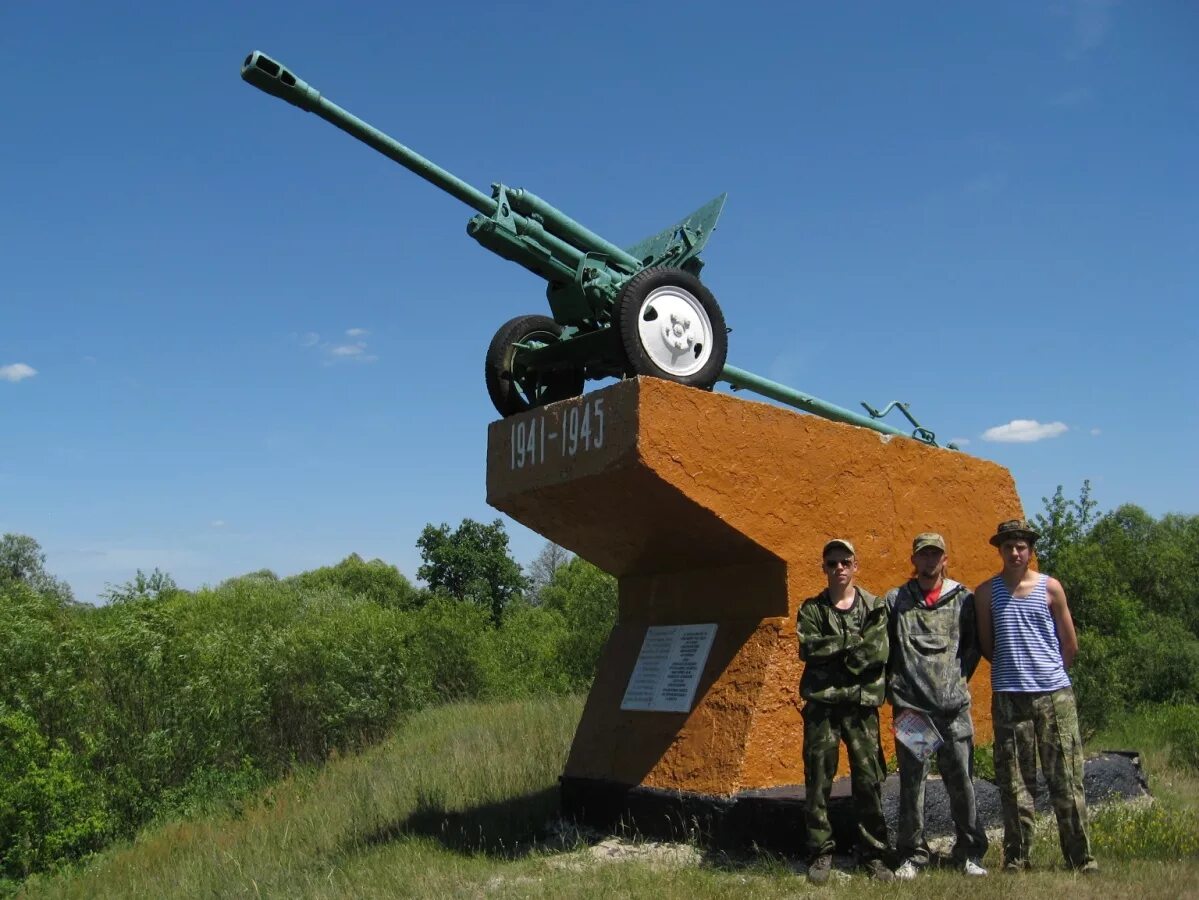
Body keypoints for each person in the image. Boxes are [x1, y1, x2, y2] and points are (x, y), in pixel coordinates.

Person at [975, 519, 1098, 874]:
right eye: (1009, 546)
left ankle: (1081, 858)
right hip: (1009, 697)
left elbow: (1069, 644)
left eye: (1022, 546)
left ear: (1030, 551)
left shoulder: (1050, 588)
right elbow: (988, 645)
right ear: (999, 550)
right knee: (1015, 783)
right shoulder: (986, 594)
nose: (1015, 552)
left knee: (1066, 778)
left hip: (1053, 696)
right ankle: (1016, 859)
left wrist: (1048, 675)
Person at [885, 532, 988, 879]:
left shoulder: (964, 599)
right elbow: (887, 649)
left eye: (936, 555)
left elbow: (973, 648)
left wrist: (953, 683)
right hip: (912, 711)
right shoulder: (897, 600)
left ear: (945, 559)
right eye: (923, 555)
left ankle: (969, 852)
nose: (929, 561)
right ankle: (912, 855)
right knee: (913, 785)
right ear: (913, 560)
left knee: (962, 781)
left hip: (953, 711)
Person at [797, 538, 894, 884]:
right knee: (818, 780)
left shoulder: (874, 607)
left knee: (869, 781)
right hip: (822, 708)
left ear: (856, 566)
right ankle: (820, 853)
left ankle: (873, 854)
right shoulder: (812, 609)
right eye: (832, 562)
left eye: (845, 562)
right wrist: (851, 643)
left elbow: (877, 653)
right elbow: (808, 648)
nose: (839, 568)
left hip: (861, 708)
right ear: (824, 568)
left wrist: (835, 652)